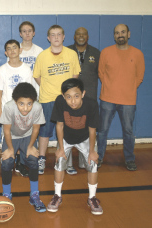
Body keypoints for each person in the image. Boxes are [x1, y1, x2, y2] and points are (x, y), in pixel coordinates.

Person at [48, 78, 103, 215]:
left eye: (76, 96)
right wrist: (60, 148)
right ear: (63, 96)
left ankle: (92, 198)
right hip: (66, 138)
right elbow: (59, 126)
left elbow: (92, 130)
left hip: (84, 138)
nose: (73, 101)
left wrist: (91, 151)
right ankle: (57, 196)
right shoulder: (60, 102)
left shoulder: (91, 104)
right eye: (69, 97)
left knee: (93, 164)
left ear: (83, 94)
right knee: (60, 161)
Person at [33, 25, 80, 174]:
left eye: (59, 34)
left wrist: (68, 94)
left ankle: (66, 160)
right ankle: (41, 159)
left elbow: (75, 75)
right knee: (45, 131)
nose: (56, 37)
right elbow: (37, 76)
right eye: (53, 35)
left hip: (66, 100)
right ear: (48, 38)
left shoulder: (72, 54)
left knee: (67, 131)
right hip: (47, 99)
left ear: (64, 36)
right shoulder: (42, 55)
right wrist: (49, 88)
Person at [97, 24, 145, 171]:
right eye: (117, 33)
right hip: (107, 99)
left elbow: (139, 77)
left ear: (128, 34)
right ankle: (98, 157)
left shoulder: (137, 54)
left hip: (128, 101)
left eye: (123, 32)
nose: (120, 35)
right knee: (102, 130)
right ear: (114, 36)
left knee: (129, 131)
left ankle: (129, 159)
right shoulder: (106, 52)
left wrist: (127, 89)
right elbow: (101, 73)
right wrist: (111, 87)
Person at [0, 82, 46, 212]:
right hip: (12, 137)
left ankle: (34, 195)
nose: (25, 108)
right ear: (15, 102)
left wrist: (31, 146)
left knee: (33, 160)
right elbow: (7, 131)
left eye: (29, 103)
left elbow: (36, 128)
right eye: (21, 104)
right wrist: (10, 149)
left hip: (28, 136)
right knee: (7, 162)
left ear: (33, 102)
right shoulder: (9, 107)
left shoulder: (37, 107)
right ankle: (7, 194)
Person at [0, 39, 33, 177]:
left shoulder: (26, 69)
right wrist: (0, 110)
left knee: (22, 136)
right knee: (8, 136)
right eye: (9, 48)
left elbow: (29, 91)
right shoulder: (2, 69)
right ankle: (8, 159)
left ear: (20, 50)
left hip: (23, 111)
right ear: (6, 52)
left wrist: (28, 109)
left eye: (14, 48)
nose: (12, 51)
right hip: (7, 111)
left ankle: (20, 163)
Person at [66, 27, 100, 175]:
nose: (81, 36)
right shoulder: (66, 51)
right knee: (68, 127)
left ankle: (85, 160)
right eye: (78, 34)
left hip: (90, 97)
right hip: (71, 98)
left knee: (89, 130)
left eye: (83, 34)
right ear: (74, 36)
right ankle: (66, 164)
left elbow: (102, 73)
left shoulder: (96, 52)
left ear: (88, 36)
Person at [18, 21, 43, 96]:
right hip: (19, 87)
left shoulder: (40, 51)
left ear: (33, 33)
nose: (27, 33)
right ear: (20, 34)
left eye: (29, 31)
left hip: (36, 88)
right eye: (24, 31)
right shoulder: (15, 50)